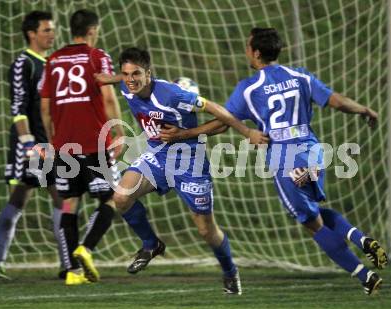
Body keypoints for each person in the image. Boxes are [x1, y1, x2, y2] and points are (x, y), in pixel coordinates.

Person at [160, 27, 388, 296]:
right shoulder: (300, 75)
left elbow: (222, 123)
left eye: (247, 46)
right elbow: (336, 101)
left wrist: (185, 134)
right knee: (313, 211)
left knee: (312, 224)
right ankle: (361, 239)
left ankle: (365, 276)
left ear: (256, 53)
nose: (246, 51)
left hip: (285, 160)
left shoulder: (249, 88)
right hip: (314, 152)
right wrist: (364, 109)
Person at [95, 47, 267, 295]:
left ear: (149, 73)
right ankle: (151, 244)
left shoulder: (173, 95)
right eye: (126, 74)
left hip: (190, 162)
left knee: (206, 230)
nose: (130, 79)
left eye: (136, 74)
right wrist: (104, 78)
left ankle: (230, 271)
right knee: (122, 196)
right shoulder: (125, 84)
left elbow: (220, 118)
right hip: (157, 155)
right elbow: (119, 79)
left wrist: (247, 132)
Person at [39, 9, 124, 285]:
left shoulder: (52, 61)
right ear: (92, 30)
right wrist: (119, 132)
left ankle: (73, 272)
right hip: (95, 141)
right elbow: (109, 98)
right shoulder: (97, 57)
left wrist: (54, 139)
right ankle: (85, 248)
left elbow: (45, 107)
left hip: (64, 143)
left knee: (70, 203)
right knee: (111, 198)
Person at [0, 11, 66, 280]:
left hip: (49, 142)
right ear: (32, 33)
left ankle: (67, 263)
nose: (51, 34)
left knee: (52, 197)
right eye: (46, 30)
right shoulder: (23, 63)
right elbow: (17, 108)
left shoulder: (52, 64)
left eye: (52, 30)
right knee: (41, 197)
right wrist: (28, 142)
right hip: (30, 143)